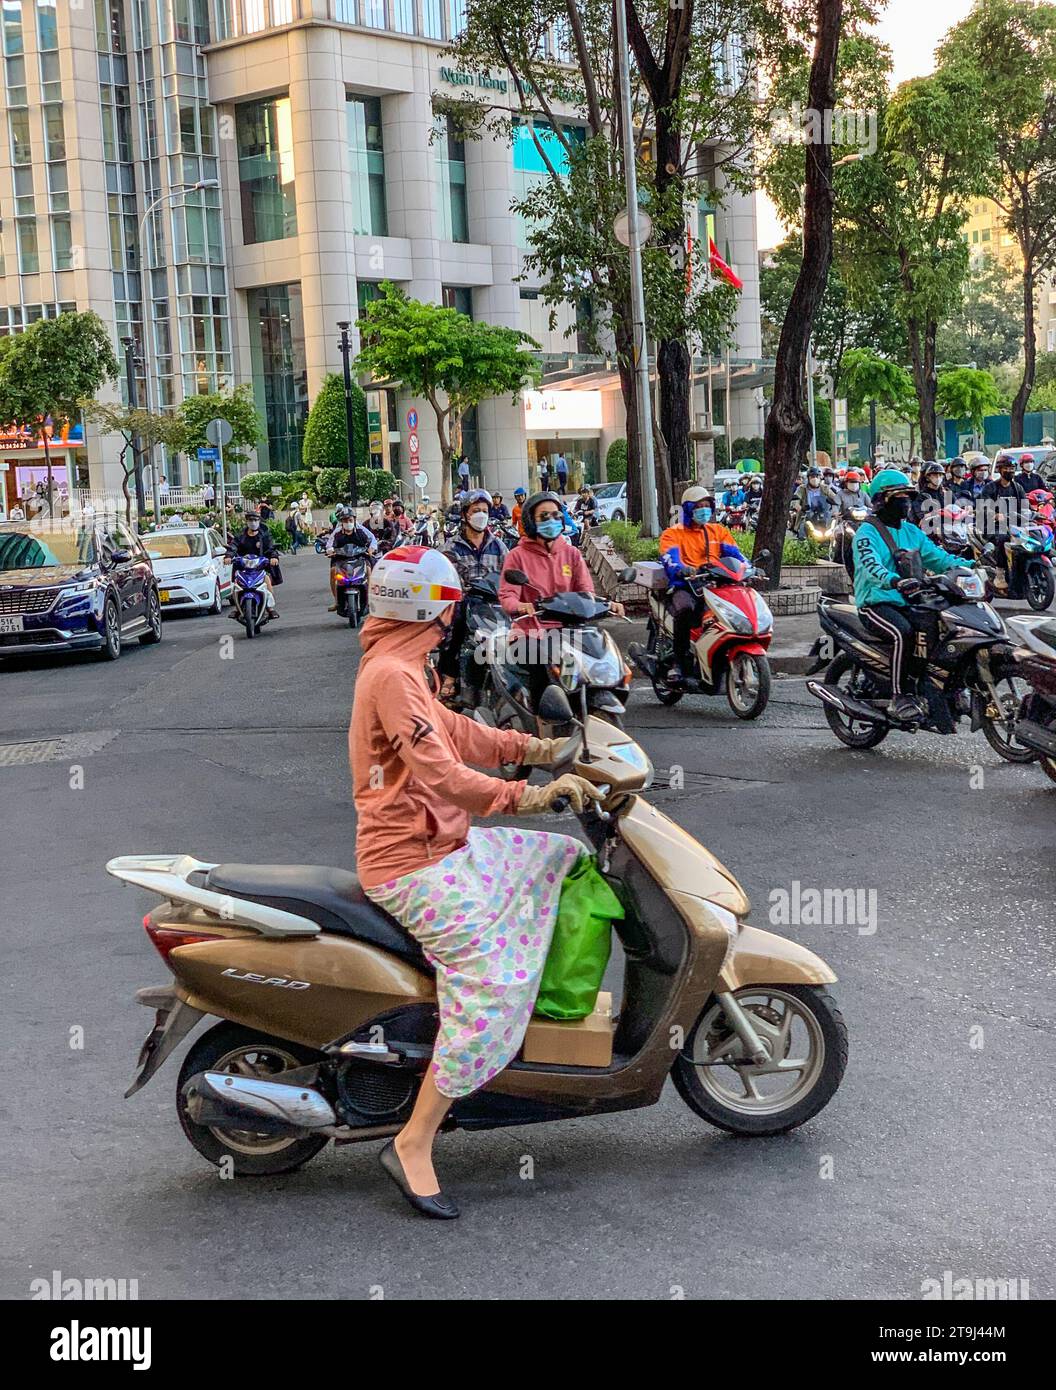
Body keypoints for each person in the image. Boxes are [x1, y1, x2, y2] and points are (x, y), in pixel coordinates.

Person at [350, 546, 601, 1217]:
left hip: (445, 845)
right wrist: (529, 796)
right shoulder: (392, 676)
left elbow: (455, 731)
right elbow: (439, 774)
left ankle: (541, 1027)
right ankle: (413, 1140)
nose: (453, 622)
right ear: (428, 610)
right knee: (492, 984)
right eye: (448, 609)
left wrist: (535, 751)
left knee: (559, 860)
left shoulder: (404, 666)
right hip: (413, 864)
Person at [852, 469, 971, 723]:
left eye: (908, 496)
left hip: (909, 599)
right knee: (902, 632)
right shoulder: (866, 533)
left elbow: (939, 558)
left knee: (943, 626)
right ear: (882, 501)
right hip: (876, 601)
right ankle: (898, 696)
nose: (906, 502)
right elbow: (870, 566)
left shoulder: (912, 532)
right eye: (899, 497)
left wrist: (973, 567)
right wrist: (894, 580)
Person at [657, 486, 748, 683]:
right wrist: (682, 569)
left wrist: (749, 568)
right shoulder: (673, 534)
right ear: (689, 509)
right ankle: (678, 664)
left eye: (707, 506)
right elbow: (670, 559)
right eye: (699, 506)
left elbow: (737, 556)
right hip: (686, 585)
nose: (704, 510)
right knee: (685, 611)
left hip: (715, 586)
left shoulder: (718, 531)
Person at [438, 489, 509, 703]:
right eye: (476, 510)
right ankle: (449, 676)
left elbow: (508, 577)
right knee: (454, 626)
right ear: (465, 515)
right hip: (464, 604)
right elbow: (443, 579)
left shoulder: (498, 546)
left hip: (493, 606)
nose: (481, 515)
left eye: (484, 511)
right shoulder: (451, 548)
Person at [982, 455, 1029, 593]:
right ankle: (1000, 574)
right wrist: (995, 515)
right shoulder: (990, 488)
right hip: (993, 526)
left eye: (1012, 468)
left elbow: (1025, 507)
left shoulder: (1017, 488)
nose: (1010, 471)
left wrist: (1033, 514)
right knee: (1002, 538)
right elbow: (983, 507)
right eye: (1007, 468)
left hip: (1014, 525)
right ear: (1000, 470)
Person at [230, 510, 281, 618]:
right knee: (236, 584)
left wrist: (273, 557)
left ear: (259, 521)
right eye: (250, 520)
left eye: (255, 520)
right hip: (244, 567)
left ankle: (270, 609)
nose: (253, 522)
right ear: (247, 522)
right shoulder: (240, 536)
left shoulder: (265, 535)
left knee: (267, 580)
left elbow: (271, 548)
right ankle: (237, 608)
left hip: (260, 567)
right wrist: (228, 556)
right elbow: (233, 546)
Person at [791, 467, 838, 537]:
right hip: (807, 516)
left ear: (820, 478)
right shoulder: (801, 488)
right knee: (802, 532)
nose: (815, 478)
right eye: (812, 476)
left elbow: (836, 498)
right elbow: (795, 501)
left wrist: (837, 505)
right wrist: (799, 507)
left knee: (835, 531)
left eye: (817, 476)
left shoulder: (825, 488)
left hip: (823, 515)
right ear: (808, 478)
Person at [912, 462, 947, 535]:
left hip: (949, 529)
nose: (938, 477)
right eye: (935, 475)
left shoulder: (946, 493)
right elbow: (921, 516)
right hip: (932, 532)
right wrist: (932, 514)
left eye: (940, 475)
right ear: (928, 477)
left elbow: (956, 507)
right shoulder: (922, 496)